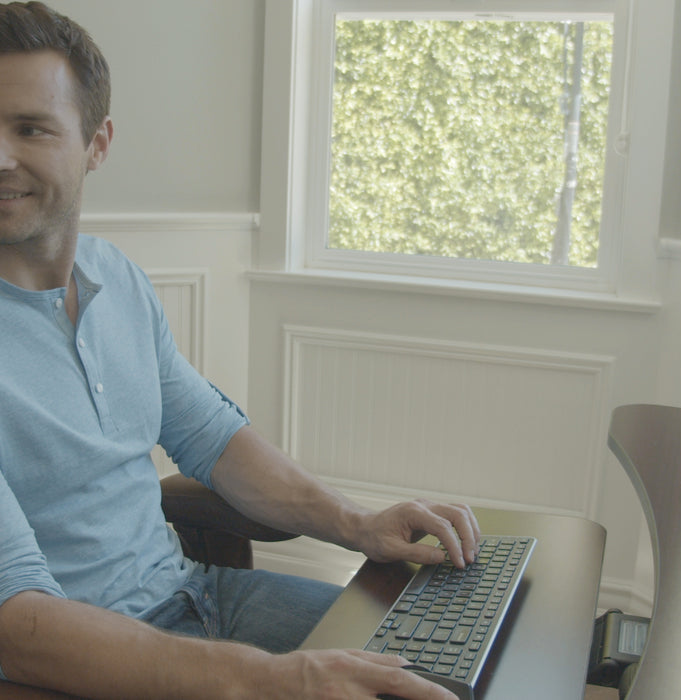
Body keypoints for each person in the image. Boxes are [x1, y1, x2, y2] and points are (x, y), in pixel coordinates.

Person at [0, 2, 480, 698]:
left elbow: (215, 439)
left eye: (30, 128)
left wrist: (357, 523)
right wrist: (262, 681)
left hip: (198, 596)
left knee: (453, 666)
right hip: (86, 668)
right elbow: (16, 624)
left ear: (97, 143)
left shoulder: (117, 279)